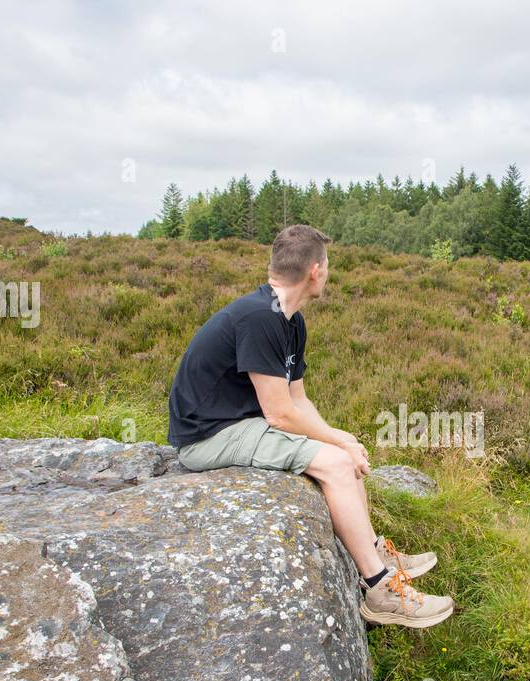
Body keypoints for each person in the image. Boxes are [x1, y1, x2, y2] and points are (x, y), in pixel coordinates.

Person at [167, 224, 454, 628]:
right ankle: (379, 588)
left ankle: (375, 551)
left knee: (343, 458)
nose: (329, 273)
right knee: (334, 465)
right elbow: (280, 415)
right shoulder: (258, 317)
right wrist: (337, 443)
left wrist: (344, 440)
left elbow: (298, 400)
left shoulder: (290, 320)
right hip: (207, 436)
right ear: (315, 270)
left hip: (239, 422)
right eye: (328, 266)